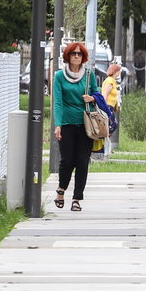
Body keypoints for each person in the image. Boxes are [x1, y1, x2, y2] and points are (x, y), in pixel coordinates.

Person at [52, 42, 99, 212]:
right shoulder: (59, 76)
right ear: (68, 56)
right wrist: (58, 124)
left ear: (83, 57)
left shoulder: (88, 74)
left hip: (86, 123)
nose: (77, 56)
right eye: (74, 54)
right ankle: (61, 190)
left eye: (80, 54)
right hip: (66, 123)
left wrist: (92, 99)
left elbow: (97, 93)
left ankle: (77, 198)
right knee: (67, 160)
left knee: (82, 161)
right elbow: (57, 102)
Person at [101, 63, 122, 150]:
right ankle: (101, 139)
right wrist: (104, 108)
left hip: (111, 107)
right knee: (113, 125)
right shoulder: (109, 82)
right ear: (115, 71)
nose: (119, 72)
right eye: (118, 71)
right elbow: (105, 95)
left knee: (109, 126)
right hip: (107, 106)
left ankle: (105, 144)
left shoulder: (113, 81)